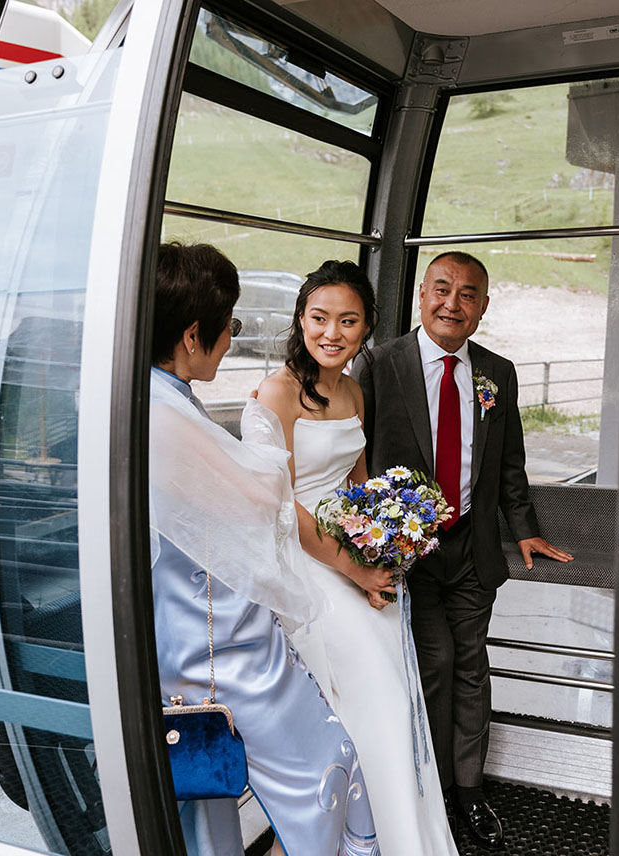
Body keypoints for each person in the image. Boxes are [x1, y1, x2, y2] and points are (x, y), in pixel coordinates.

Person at [149, 242, 378, 856]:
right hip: (209, 646)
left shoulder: (164, 399)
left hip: (203, 629)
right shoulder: (166, 416)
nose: (231, 341)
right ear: (195, 335)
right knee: (330, 758)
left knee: (211, 813)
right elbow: (264, 504)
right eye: (230, 327)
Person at [351, 251, 573, 848]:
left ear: (482, 307)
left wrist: (522, 526)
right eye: (442, 289)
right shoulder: (380, 364)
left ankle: (469, 791)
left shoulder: (497, 373)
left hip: (474, 547)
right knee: (435, 662)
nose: (453, 303)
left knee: (472, 665)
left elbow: (508, 462)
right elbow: (358, 457)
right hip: (410, 551)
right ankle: (426, 787)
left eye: (467, 294)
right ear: (422, 294)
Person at [251, 260, 459, 856]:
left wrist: (385, 552)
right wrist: (352, 567)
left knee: (394, 706)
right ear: (300, 318)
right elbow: (280, 505)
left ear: (366, 328)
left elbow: (358, 486)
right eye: (319, 318)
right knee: (370, 704)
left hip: (353, 561)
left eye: (347, 321)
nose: (331, 333)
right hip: (304, 567)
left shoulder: (353, 391)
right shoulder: (277, 392)